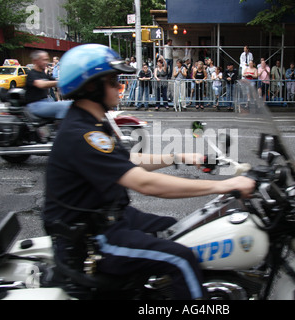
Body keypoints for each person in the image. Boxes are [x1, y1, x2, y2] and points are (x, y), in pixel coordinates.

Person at [45, 44, 256, 300]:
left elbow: (128, 160)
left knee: (180, 230)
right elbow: (144, 184)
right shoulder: (82, 134)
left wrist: (180, 156)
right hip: (91, 237)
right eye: (113, 81)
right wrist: (226, 186)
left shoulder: (93, 121)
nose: (119, 86)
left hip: (108, 216)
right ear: (90, 86)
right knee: (181, 258)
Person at [25, 50, 71, 119]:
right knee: (63, 106)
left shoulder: (43, 73)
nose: (46, 62)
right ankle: (63, 129)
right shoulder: (32, 74)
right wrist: (61, 82)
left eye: (47, 60)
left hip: (47, 101)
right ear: (35, 61)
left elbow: (54, 81)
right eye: (44, 60)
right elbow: (41, 84)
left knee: (74, 103)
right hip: (35, 105)